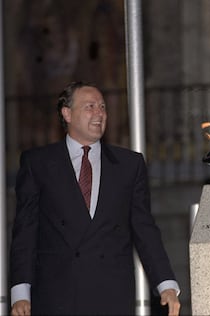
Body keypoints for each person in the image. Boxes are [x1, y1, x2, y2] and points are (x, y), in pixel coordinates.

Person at [9, 81, 181, 316]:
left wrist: (166, 285)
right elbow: (25, 232)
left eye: (102, 107)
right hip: (57, 295)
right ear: (67, 114)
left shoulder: (129, 165)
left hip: (111, 295)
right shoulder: (38, 163)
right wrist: (20, 293)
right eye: (90, 106)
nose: (99, 113)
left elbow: (145, 229)